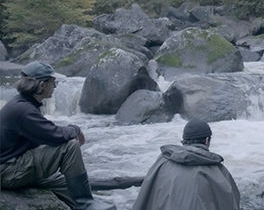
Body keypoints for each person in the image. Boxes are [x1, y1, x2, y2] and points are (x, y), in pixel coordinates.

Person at [0, 61, 116, 210]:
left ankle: (85, 202)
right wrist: (76, 129)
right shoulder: (24, 110)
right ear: (42, 85)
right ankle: (84, 204)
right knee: (70, 147)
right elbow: (55, 135)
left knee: (65, 184)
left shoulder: (23, 104)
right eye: (53, 82)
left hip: (11, 167)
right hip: (7, 172)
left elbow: (45, 136)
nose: (55, 87)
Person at [132, 118, 240, 210]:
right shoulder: (219, 172)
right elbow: (232, 203)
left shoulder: (163, 161)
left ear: (183, 140)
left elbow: (143, 200)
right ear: (207, 141)